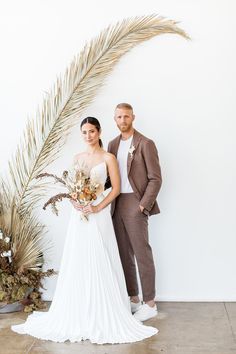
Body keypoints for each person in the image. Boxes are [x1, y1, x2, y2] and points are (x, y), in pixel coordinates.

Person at [11, 117, 158, 344]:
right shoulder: (77, 158)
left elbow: (116, 188)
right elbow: (72, 187)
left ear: (99, 132)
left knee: (102, 256)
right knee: (78, 258)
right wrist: (75, 201)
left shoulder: (108, 157)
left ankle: (112, 306)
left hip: (98, 214)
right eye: (84, 132)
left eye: (92, 131)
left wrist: (97, 206)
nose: (88, 135)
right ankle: (78, 308)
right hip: (79, 215)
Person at [107, 103, 162, 322]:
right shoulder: (112, 144)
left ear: (133, 117)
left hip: (135, 202)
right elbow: (109, 178)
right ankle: (133, 299)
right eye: (119, 117)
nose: (123, 120)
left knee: (142, 253)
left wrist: (143, 205)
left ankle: (150, 303)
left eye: (126, 116)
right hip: (116, 202)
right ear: (115, 119)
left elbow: (155, 178)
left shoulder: (145, 143)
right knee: (123, 254)